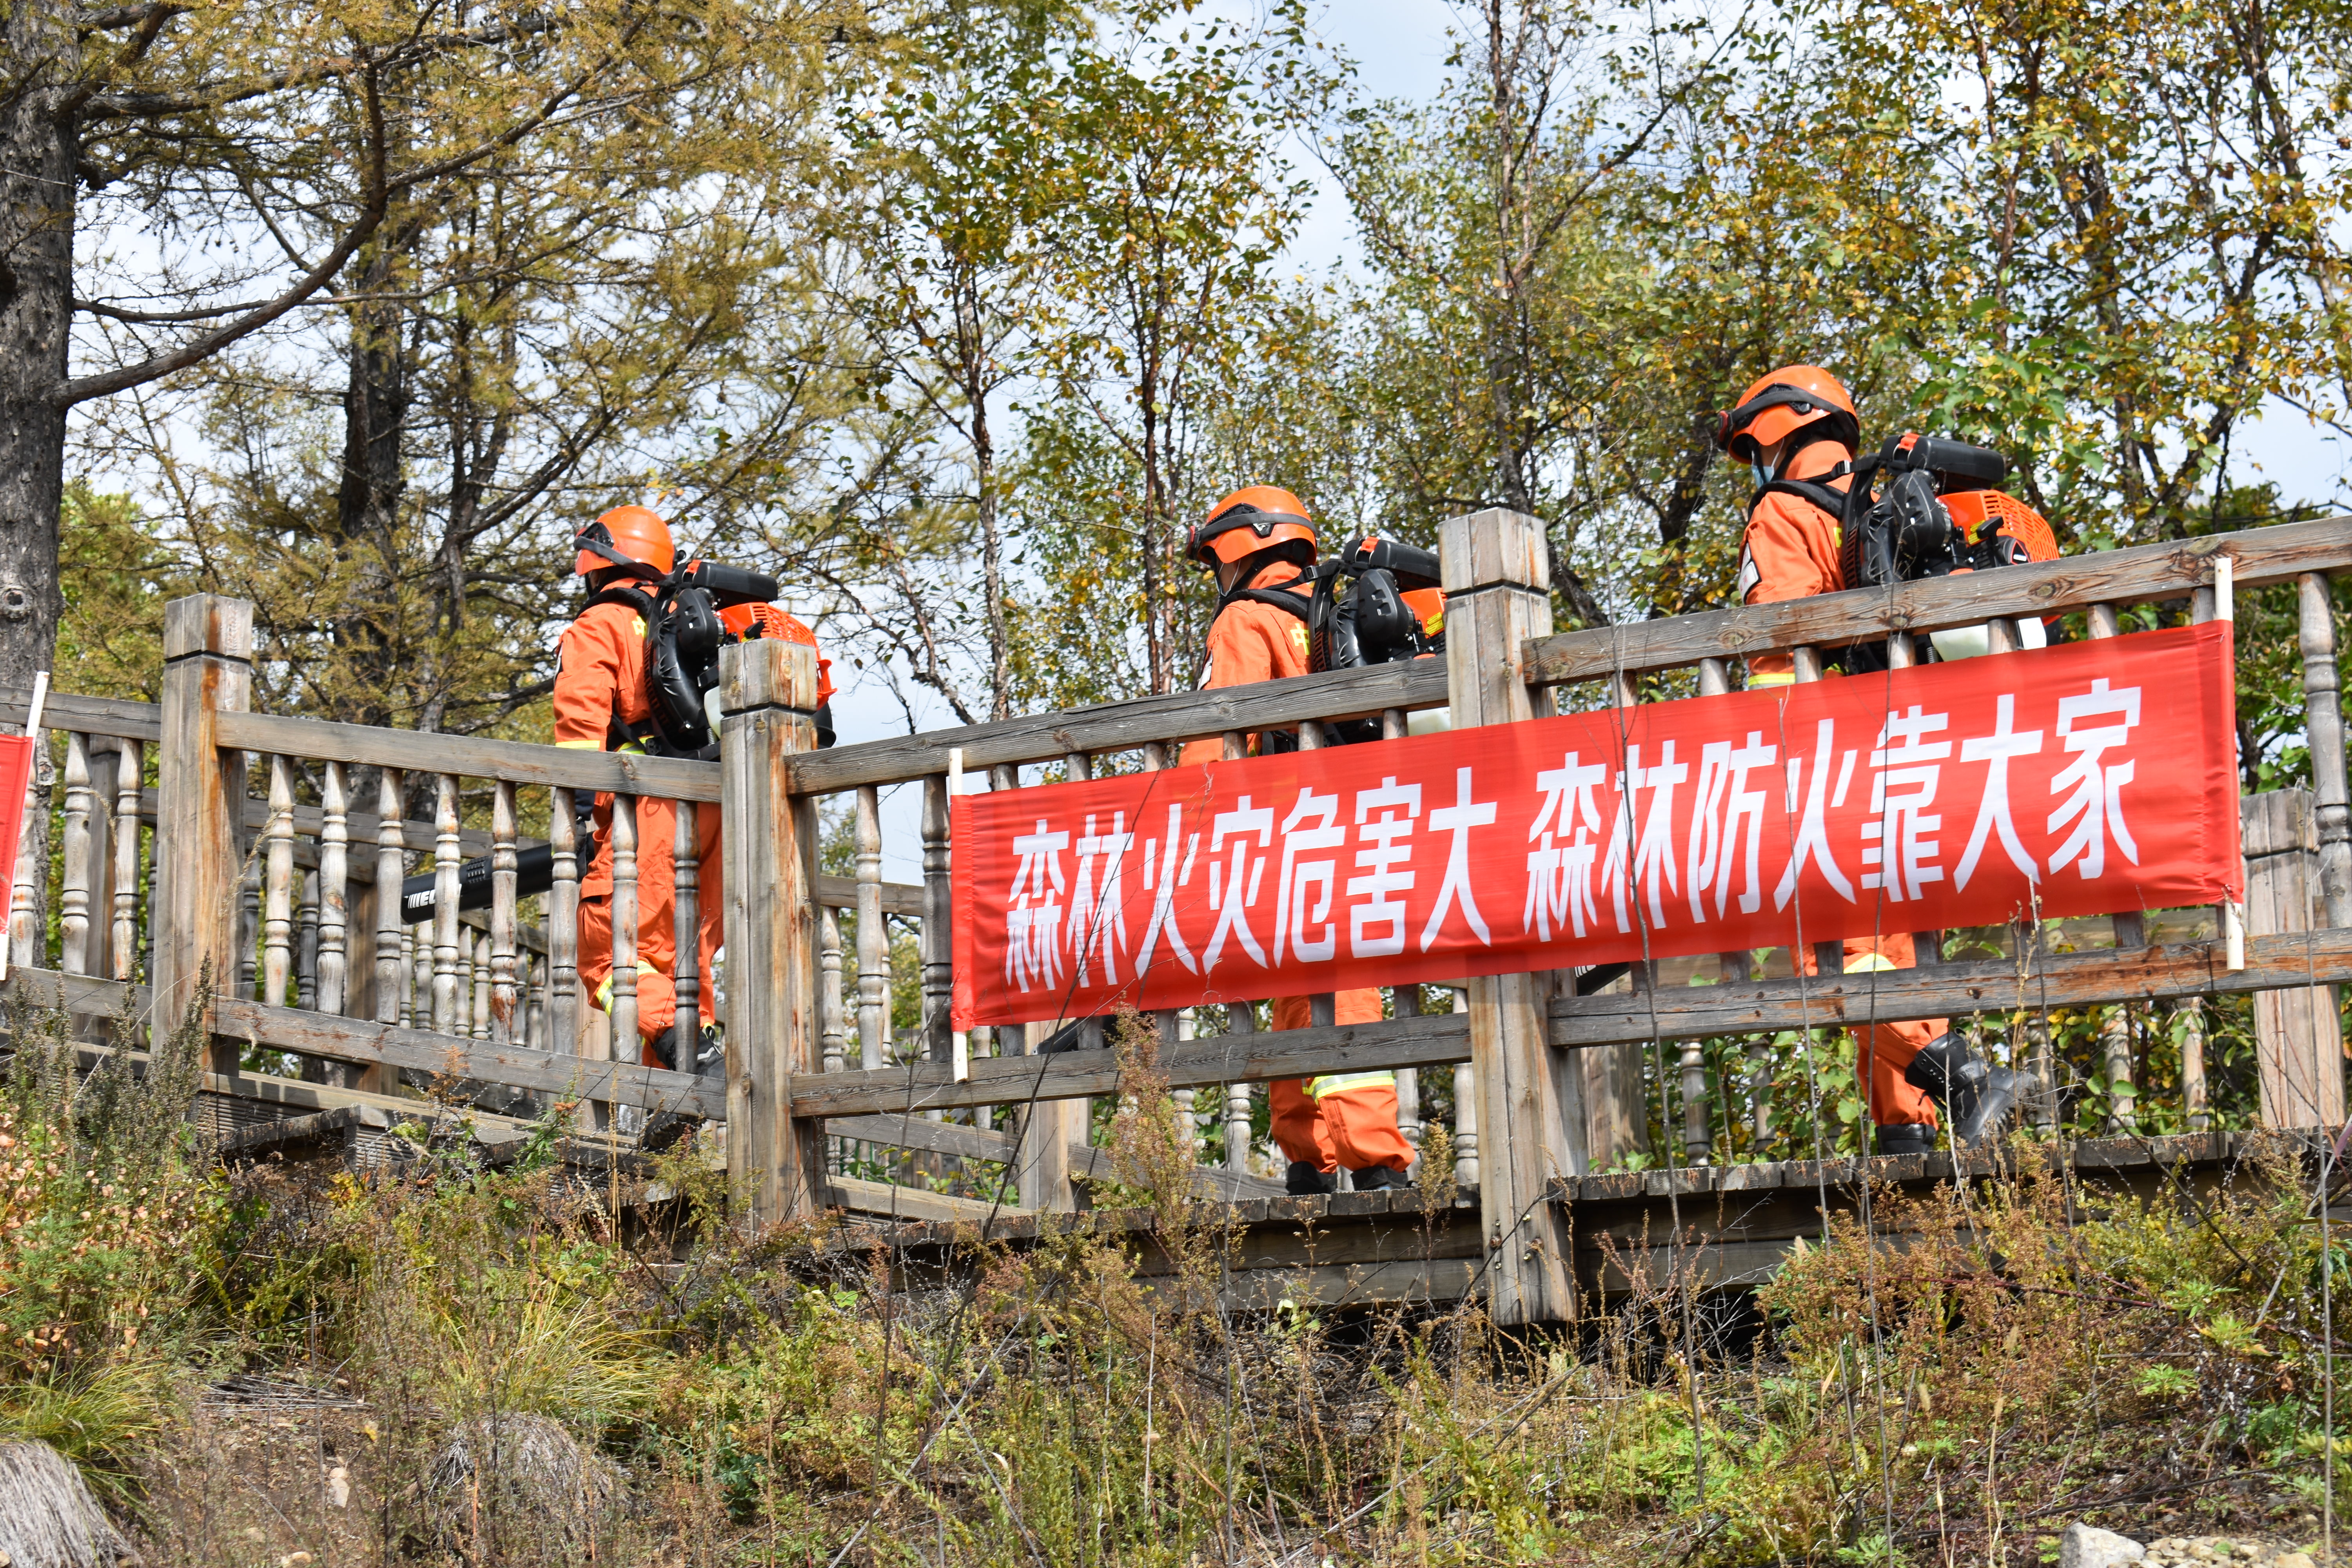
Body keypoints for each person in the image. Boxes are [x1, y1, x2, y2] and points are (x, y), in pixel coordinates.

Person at [1714, 367, 2014, 1152]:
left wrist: (1770, 766)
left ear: (1776, 429)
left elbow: (1777, 649)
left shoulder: (1784, 510)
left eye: (1752, 445)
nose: (1755, 461)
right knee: (1890, 947)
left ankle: (1958, 1078)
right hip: (1915, 757)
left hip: (1828, 762)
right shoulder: (1885, 499)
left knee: (1828, 959)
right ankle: (1905, 1132)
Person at [1177, 486, 1416, 1194]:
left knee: (1299, 992)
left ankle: (1332, 1163)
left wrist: (1186, 832)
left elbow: (1217, 740)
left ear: (1238, 548)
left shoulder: (1246, 619)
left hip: (1280, 838)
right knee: (1344, 990)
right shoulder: (1332, 614)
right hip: (1354, 827)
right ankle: (1332, 1156)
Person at [554, 506, 834, 1070]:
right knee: (684, 959)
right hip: (720, 806)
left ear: (598, 562)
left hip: (650, 808)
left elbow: (580, 723)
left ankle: (699, 1058)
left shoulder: (602, 623)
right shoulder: (693, 616)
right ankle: (678, 1115)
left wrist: (580, 815)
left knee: (607, 954)